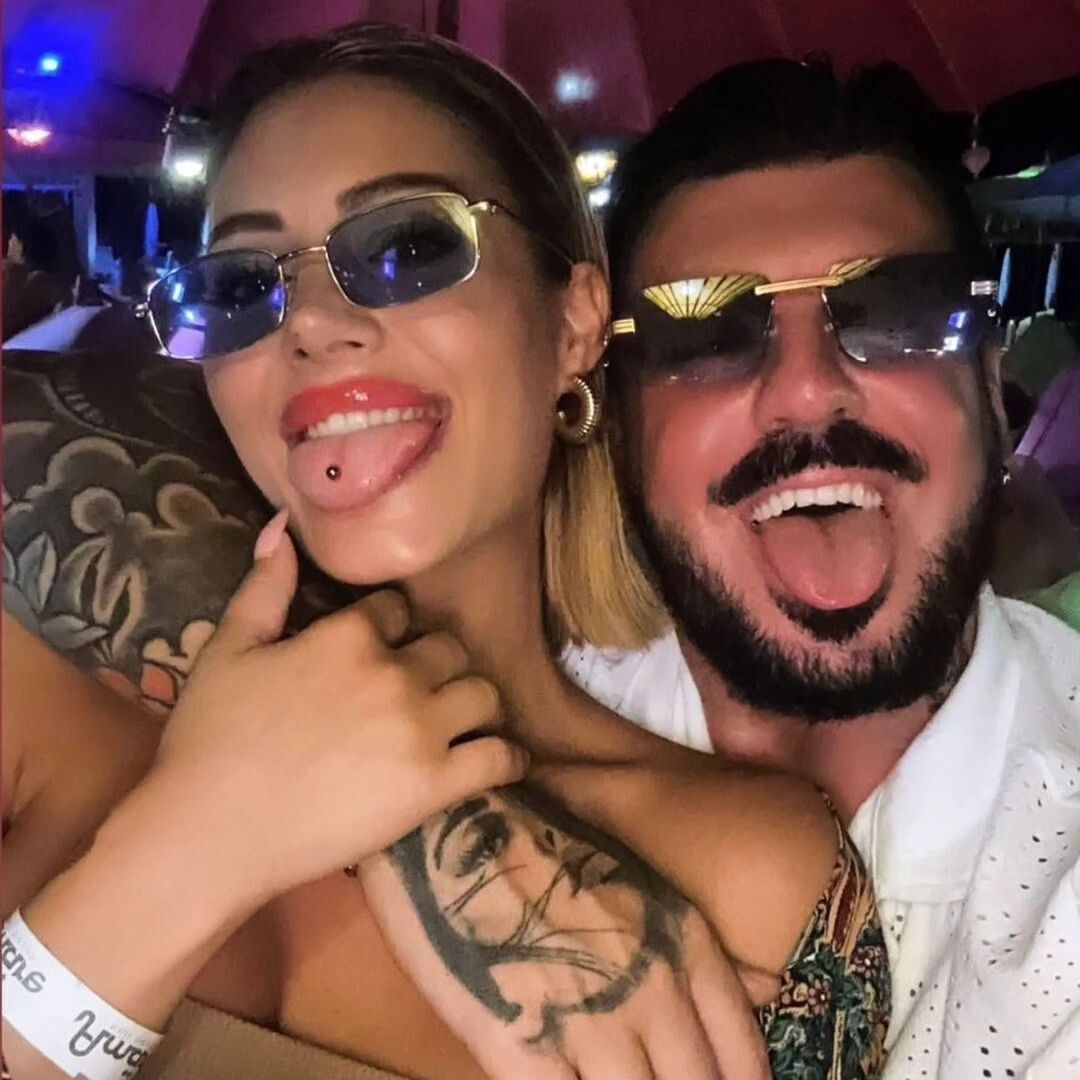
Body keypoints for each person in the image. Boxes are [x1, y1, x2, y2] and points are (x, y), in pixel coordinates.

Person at [1, 25, 888, 1080]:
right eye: (242, 284)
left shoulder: (743, 872)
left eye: (409, 247)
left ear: (574, 324)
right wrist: (194, 847)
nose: (311, 322)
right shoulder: (37, 684)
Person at [563, 58, 1080, 1077]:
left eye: (896, 311)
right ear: (616, 431)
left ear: (989, 389)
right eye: (705, 331)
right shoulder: (504, 755)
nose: (807, 389)